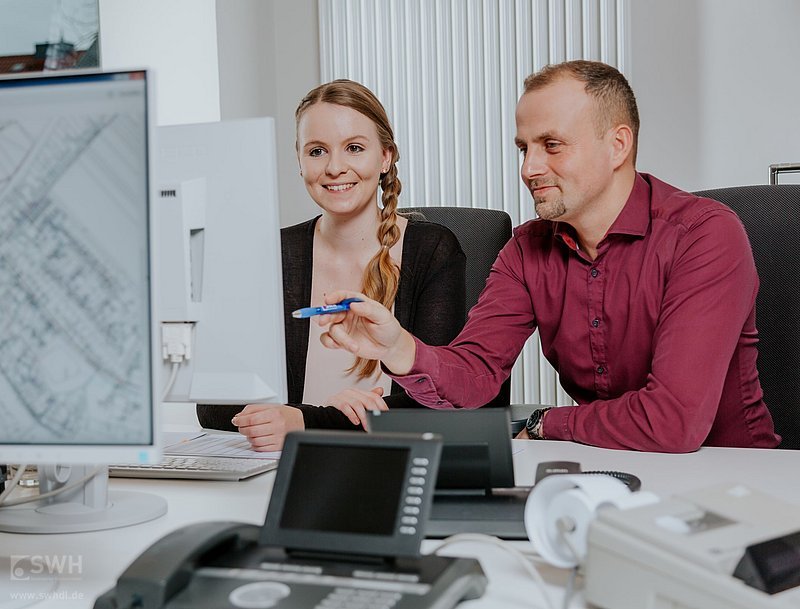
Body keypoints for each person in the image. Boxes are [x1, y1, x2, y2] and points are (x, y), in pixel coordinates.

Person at [318, 60, 781, 453]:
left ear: (617, 144)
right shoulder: (526, 249)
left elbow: (673, 421)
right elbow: (477, 375)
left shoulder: (703, 235)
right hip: (612, 470)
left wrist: (546, 423)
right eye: (524, 148)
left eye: (551, 145)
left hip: (731, 475)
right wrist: (399, 348)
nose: (529, 168)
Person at [197, 79, 466, 450]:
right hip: (281, 466)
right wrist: (319, 416)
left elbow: (445, 401)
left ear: (386, 156)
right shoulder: (272, 253)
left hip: (390, 461)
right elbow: (212, 404)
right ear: (299, 160)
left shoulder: (432, 250)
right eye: (317, 151)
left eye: (354, 148)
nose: (335, 167)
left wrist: (306, 420)